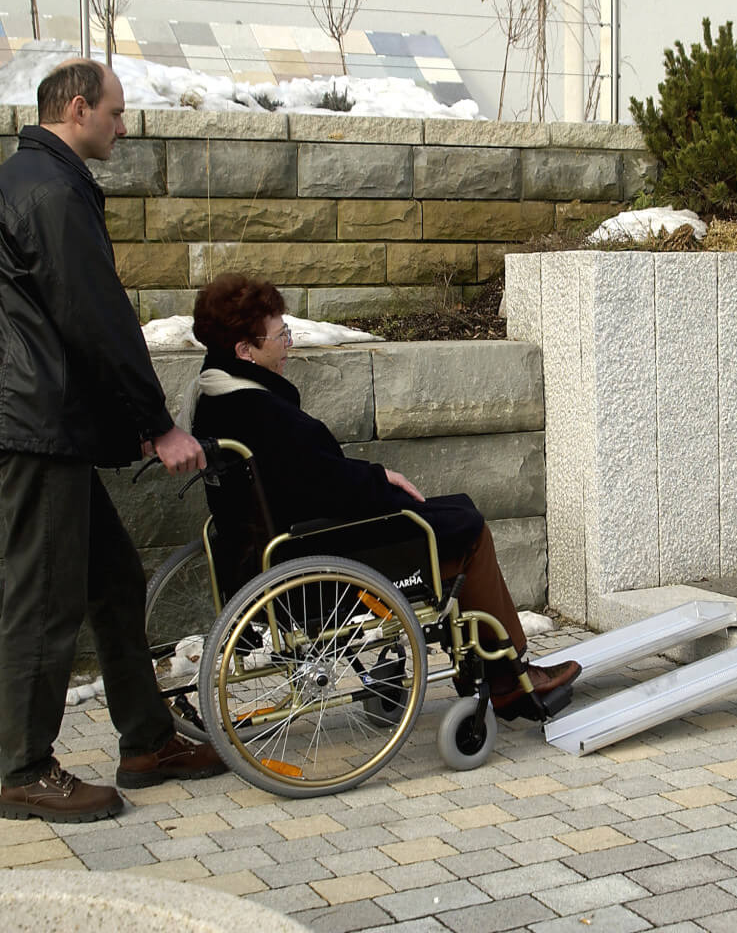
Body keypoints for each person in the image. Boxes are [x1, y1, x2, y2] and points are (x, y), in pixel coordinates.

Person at [187, 272, 580, 719]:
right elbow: (328, 489)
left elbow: (311, 476)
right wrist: (381, 485)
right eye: (280, 336)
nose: (288, 344)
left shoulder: (215, 399)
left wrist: (377, 476)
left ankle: (497, 666)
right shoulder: (261, 412)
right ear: (245, 350)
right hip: (316, 567)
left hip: (267, 558)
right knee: (467, 529)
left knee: (453, 510)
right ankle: (509, 676)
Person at [0, 60, 226, 823]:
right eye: (118, 113)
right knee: (43, 599)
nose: (124, 128)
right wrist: (157, 426)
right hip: (35, 427)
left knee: (113, 580)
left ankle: (147, 741)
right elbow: (94, 320)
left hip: (44, 420)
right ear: (76, 109)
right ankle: (22, 769)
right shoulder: (51, 190)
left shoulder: (29, 179)